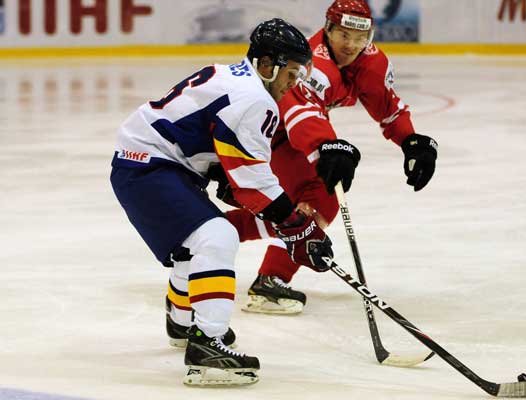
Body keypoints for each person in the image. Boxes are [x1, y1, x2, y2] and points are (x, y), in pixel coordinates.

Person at [109, 18, 333, 386]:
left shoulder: (230, 74)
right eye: (290, 74)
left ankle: (183, 323)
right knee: (217, 237)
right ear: (267, 65)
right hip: (150, 167)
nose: (294, 84)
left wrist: (221, 175)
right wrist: (298, 227)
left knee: (193, 244)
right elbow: (254, 183)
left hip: (150, 163)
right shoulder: (254, 100)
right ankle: (206, 345)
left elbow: (208, 137)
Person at [221, 0, 438, 315]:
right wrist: (324, 147)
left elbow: (388, 106)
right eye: (343, 35)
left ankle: (215, 231)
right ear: (328, 29)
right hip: (265, 128)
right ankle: (270, 279)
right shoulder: (313, 64)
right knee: (321, 197)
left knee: (303, 205)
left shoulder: (371, 62)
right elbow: (298, 112)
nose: (351, 45)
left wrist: (410, 140)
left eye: (360, 37)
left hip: (282, 130)